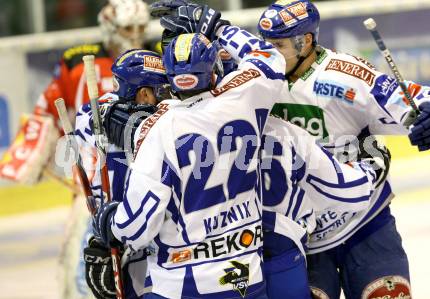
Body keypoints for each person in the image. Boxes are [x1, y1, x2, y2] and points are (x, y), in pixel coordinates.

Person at [256, 1, 430, 298]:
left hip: (366, 222)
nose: (268, 53)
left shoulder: (344, 75)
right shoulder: (257, 80)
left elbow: (409, 99)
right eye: (265, 44)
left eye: (278, 45)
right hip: (302, 235)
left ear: (305, 42)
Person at [91, 27, 287, 297]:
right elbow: (270, 57)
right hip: (249, 277)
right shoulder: (244, 97)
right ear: (213, 72)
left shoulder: (158, 130)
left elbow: (134, 229)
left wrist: (109, 224)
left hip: (185, 285)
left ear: (170, 80)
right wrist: (220, 26)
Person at [0, 1, 151, 298]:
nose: (134, 36)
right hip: (93, 189)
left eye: (139, 29)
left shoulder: (153, 58)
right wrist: (29, 153)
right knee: (82, 267)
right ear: (109, 27)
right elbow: (47, 110)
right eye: (127, 28)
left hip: (143, 181)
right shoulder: (77, 63)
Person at [75, 49, 170, 299]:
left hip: (124, 229)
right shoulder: (93, 115)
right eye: (163, 91)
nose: (169, 98)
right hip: (130, 236)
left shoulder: (94, 113)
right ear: (144, 93)